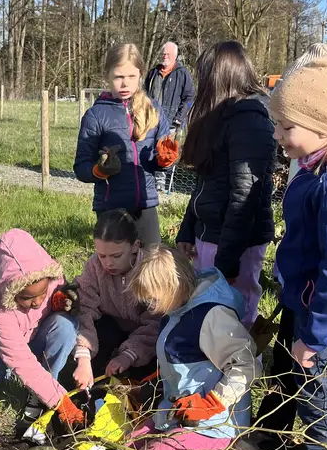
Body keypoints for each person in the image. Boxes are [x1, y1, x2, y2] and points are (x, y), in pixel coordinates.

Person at [243, 44, 327, 450]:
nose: (277, 137)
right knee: (313, 397)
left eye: (286, 128)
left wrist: (316, 336)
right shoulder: (315, 171)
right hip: (304, 307)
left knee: (324, 406)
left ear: (325, 125)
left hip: (325, 321)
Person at [122, 245, 259, 450]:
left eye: (154, 299)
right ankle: (175, 437)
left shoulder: (211, 316)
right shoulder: (178, 306)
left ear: (173, 287)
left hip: (215, 422)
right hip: (180, 410)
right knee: (128, 445)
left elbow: (246, 365)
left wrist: (213, 403)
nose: (151, 307)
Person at [174, 40, 279, 325]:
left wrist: (227, 262)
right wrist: (187, 230)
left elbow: (245, 196)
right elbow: (203, 181)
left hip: (234, 244)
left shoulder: (250, 119)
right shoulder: (219, 117)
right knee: (208, 316)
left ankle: (242, 369)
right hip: (208, 236)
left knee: (234, 319)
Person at [0, 228, 86, 431]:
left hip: (39, 340)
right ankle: (23, 378)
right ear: (10, 291)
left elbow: (62, 305)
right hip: (5, 349)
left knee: (65, 326)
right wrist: (60, 402)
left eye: (42, 294)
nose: (36, 303)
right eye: (26, 298)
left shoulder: (51, 278)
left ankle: (43, 382)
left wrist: (57, 300)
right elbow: (19, 357)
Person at [74, 43, 178, 247]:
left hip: (146, 206)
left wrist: (166, 160)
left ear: (141, 74)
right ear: (107, 76)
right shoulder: (96, 116)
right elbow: (80, 167)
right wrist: (99, 170)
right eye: (118, 77)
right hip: (111, 208)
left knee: (151, 265)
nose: (125, 84)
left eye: (131, 76)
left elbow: (159, 161)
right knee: (115, 268)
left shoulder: (153, 110)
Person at [69, 209, 163, 390]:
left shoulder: (151, 271)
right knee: (100, 336)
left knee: (145, 376)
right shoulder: (94, 266)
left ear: (135, 246)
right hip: (111, 325)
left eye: (116, 256)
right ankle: (92, 384)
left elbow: (156, 322)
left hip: (145, 336)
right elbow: (84, 307)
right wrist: (83, 355)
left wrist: (129, 354)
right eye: (102, 255)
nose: (108, 263)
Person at [142, 41, 195, 195]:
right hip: (151, 119)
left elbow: (189, 97)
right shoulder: (153, 73)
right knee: (148, 148)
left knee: (165, 150)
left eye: (168, 54)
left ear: (175, 56)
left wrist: (180, 116)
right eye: (163, 54)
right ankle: (148, 179)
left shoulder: (182, 73)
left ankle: (160, 182)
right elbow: (145, 94)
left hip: (171, 120)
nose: (164, 56)